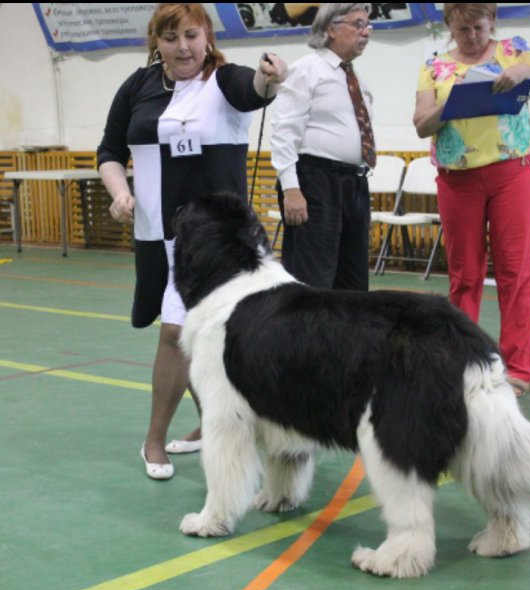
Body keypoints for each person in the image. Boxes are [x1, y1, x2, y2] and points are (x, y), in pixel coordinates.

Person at [98, 2, 287, 479]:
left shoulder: (224, 81)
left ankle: (155, 441)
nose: (182, 47)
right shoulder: (138, 87)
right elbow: (110, 151)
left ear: (207, 37)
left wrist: (270, 77)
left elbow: (255, 90)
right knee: (195, 335)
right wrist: (120, 193)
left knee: (179, 332)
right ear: (156, 43)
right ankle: (208, 427)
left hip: (218, 239)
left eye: (191, 36)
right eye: (170, 38)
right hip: (157, 234)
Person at [414, 2, 530, 397]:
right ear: (449, 27)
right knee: (465, 275)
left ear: (492, 23)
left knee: (515, 272)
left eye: (479, 28)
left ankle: (517, 368)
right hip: (458, 180)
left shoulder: (514, 50)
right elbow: (421, 125)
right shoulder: (434, 67)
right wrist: (450, 104)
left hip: (512, 174)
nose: (471, 36)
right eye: (462, 29)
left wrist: (527, 72)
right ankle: (462, 362)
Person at [270, 3, 375, 291]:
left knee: (353, 284)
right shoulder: (307, 69)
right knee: (312, 281)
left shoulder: (352, 77)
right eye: (358, 24)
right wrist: (291, 188)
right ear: (331, 29)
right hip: (316, 182)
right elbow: (284, 131)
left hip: (354, 184)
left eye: (368, 25)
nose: (366, 32)